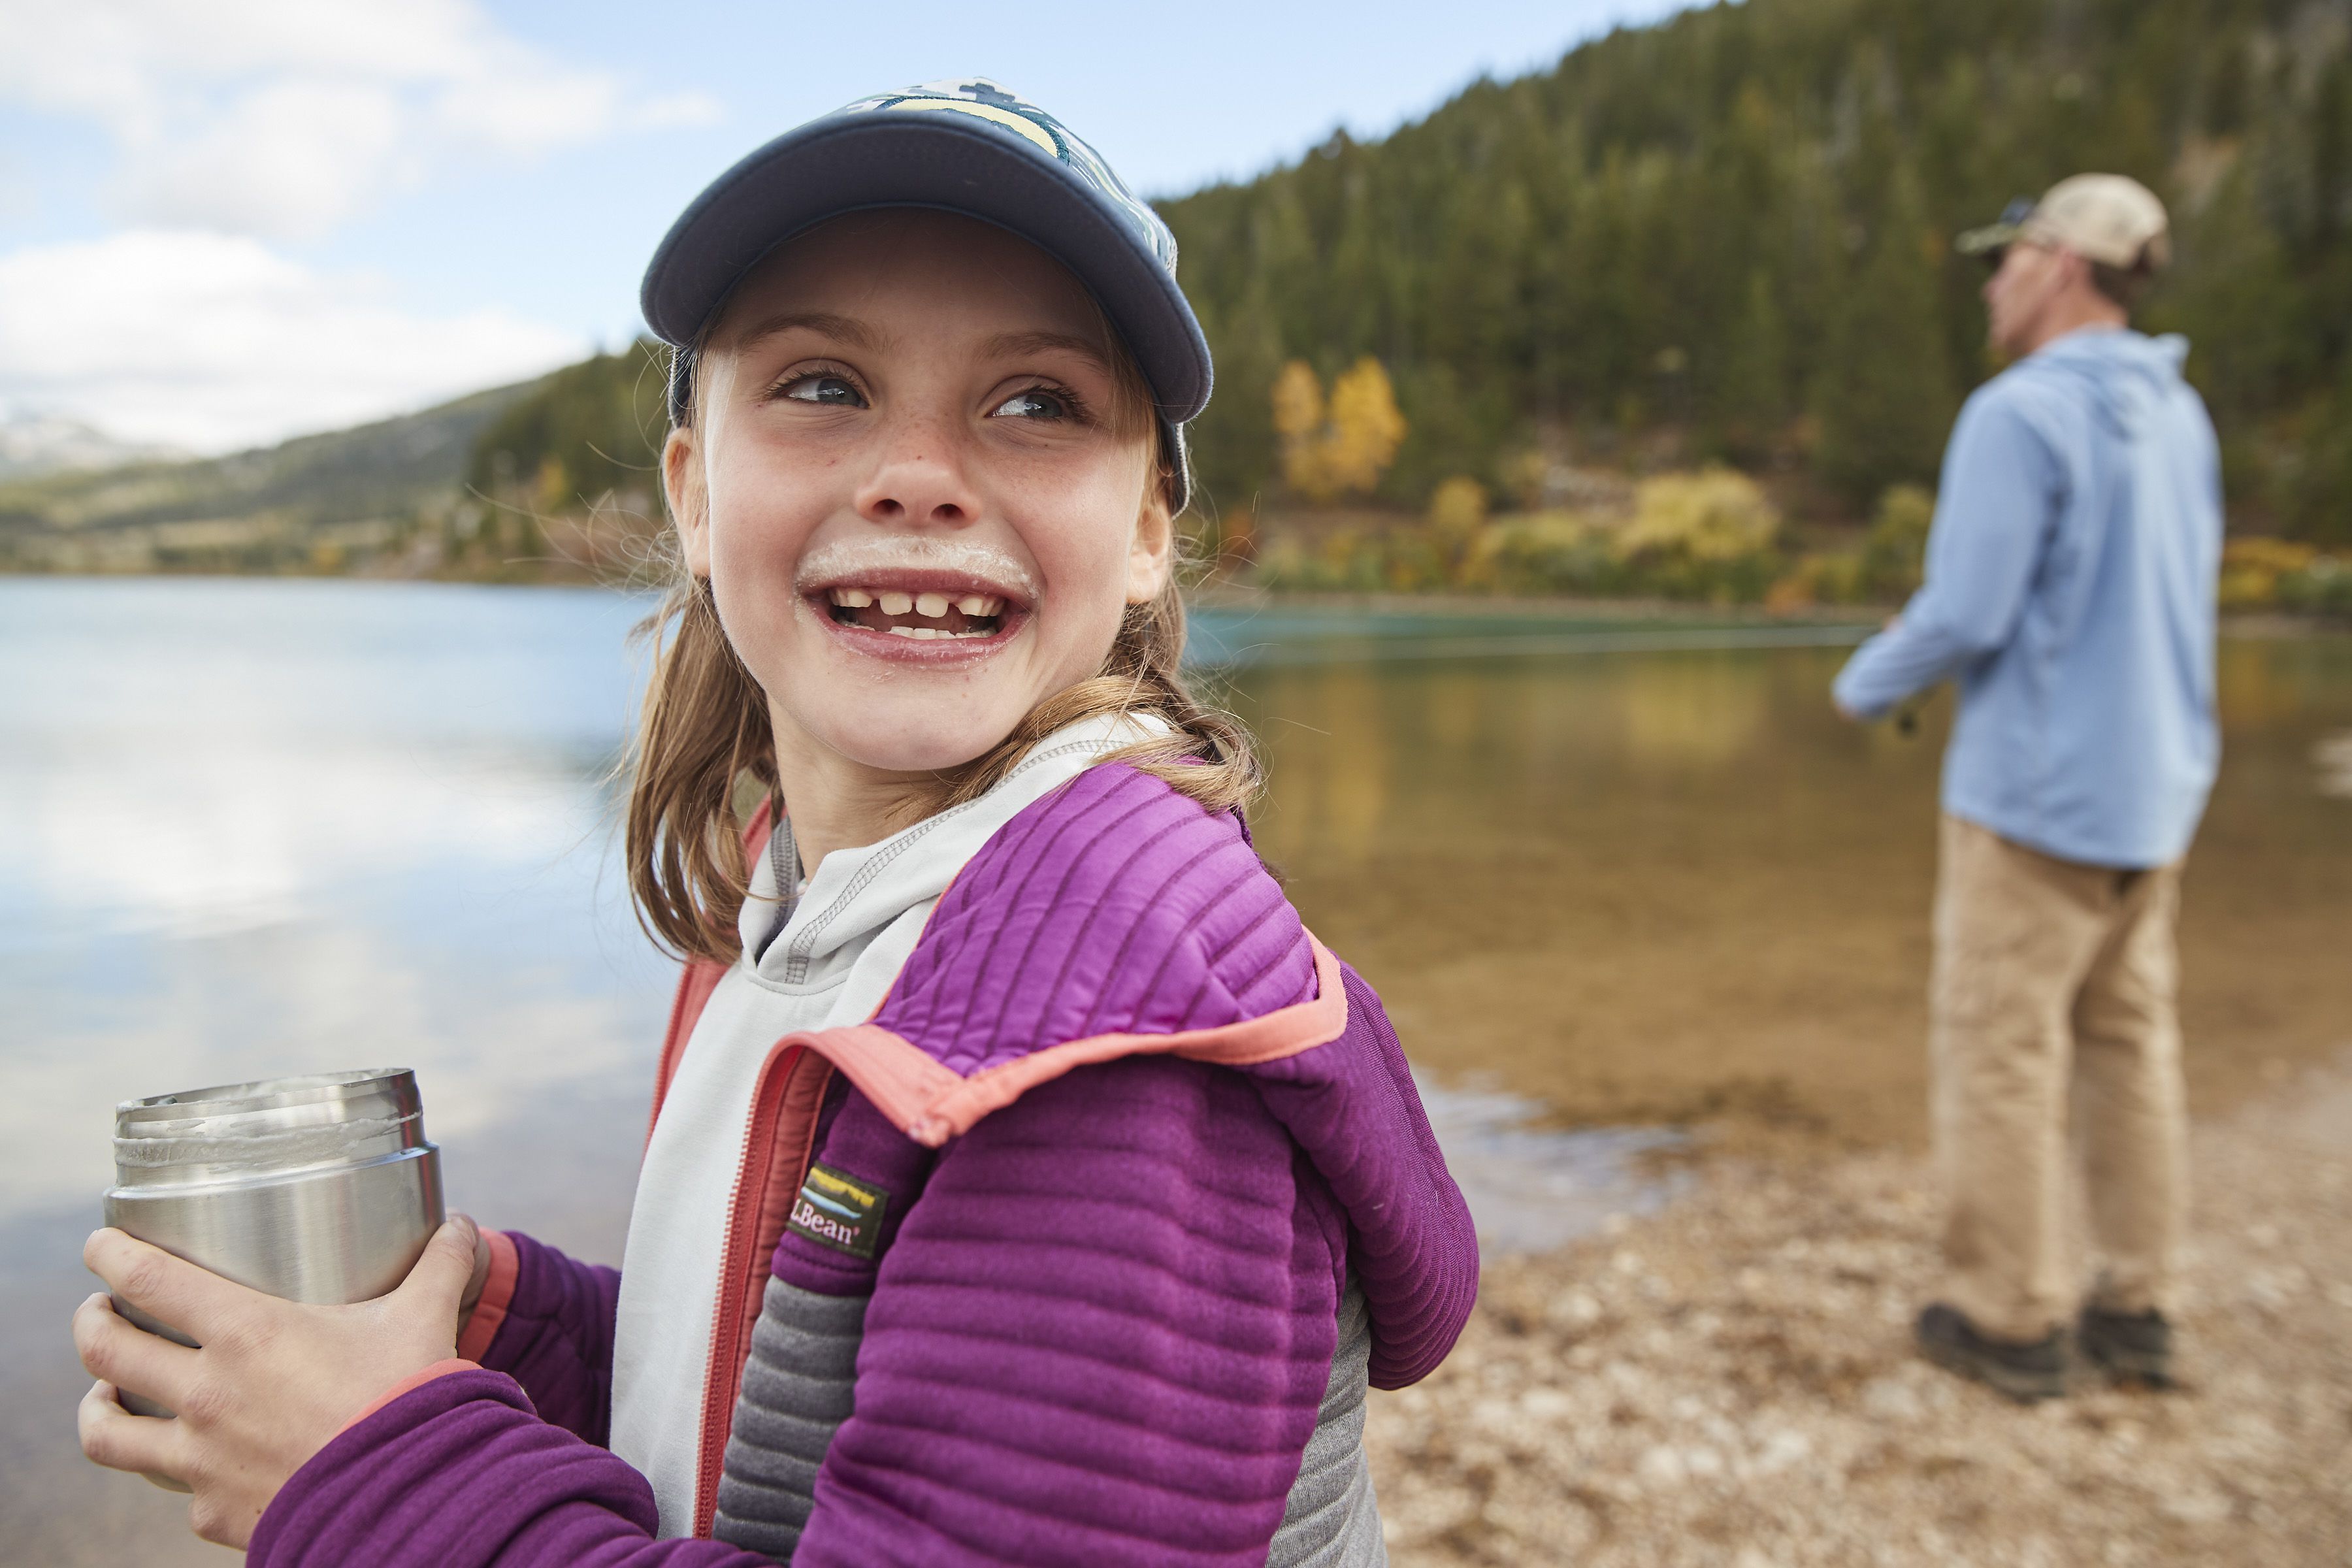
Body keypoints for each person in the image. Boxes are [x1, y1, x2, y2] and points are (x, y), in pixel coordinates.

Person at [71, 79, 1478, 1564]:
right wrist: (494, 1323)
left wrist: (368, 1475)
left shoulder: (1112, 1045)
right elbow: (795, 1387)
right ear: (692, 491)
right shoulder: (803, 901)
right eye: (822, 385)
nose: (919, 479)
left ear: (1144, 532)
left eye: (1036, 403)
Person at [1832, 174, 2222, 1402]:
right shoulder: (2182, 415)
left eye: (2008, 260)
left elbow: (1972, 611)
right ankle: (2138, 1308)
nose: (1993, 282)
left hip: (2037, 802)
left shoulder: (2020, 413)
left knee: (2002, 1050)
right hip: (2156, 797)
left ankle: (2010, 1319)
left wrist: (1863, 682)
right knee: (2131, 1044)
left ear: (2059, 264)